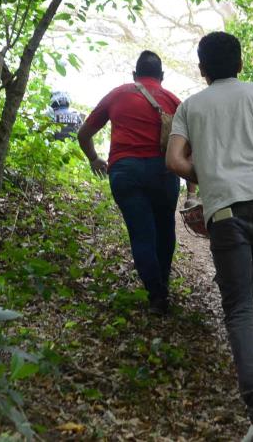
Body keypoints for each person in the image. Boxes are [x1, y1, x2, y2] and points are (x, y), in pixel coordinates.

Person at [166, 31, 253, 442]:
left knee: (240, 306)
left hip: (228, 209)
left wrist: (206, 175)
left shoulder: (191, 107)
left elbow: (174, 159)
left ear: (202, 69)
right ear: (241, 64)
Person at [77, 51, 181, 315]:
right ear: (162, 77)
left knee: (141, 232)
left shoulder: (118, 94)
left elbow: (84, 133)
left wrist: (94, 159)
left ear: (135, 75)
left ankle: (156, 295)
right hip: (164, 172)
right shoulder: (173, 101)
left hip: (126, 172)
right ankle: (163, 284)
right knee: (165, 228)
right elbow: (189, 146)